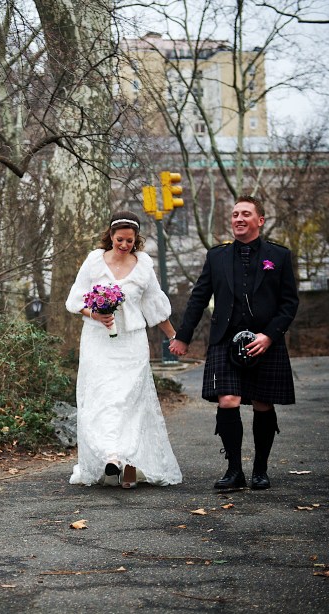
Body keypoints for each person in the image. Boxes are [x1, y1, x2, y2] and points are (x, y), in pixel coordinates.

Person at [169, 195, 298, 491]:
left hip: (265, 340)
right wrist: (183, 336)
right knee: (228, 400)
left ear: (260, 220)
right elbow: (199, 297)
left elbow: (289, 303)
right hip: (225, 339)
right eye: (235, 214)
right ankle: (234, 470)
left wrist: (269, 336)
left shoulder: (278, 256)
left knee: (263, 403)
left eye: (246, 214)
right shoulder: (216, 256)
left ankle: (260, 470)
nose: (238, 219)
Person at [65, 211, 182, 489]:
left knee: (129, 401)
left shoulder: (143, 265)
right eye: (120, 239)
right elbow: (74, 299)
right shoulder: (95, 261)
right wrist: (95, 314)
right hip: (98, 342)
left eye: (130, 241)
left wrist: (174, 337)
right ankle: (110, 456)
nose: (124, 245)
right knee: (102, 399)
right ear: (111, 236)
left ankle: (129, 463)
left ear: (136, 240)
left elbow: (154, 306)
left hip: (131, 344)